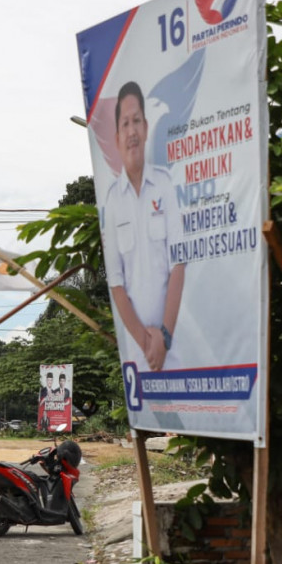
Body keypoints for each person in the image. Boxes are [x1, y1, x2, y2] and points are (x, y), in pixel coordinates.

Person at [101, 80, 186, 372]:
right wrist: (146, 344)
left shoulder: (165, 185)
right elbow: (116, 282)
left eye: (136, 121)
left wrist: (164, 336)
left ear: (147, 128)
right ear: (117, 137)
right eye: (125, 124)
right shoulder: (112, 202)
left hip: (173, 345)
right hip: (137, 353)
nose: (132, 131)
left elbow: (179, 264)